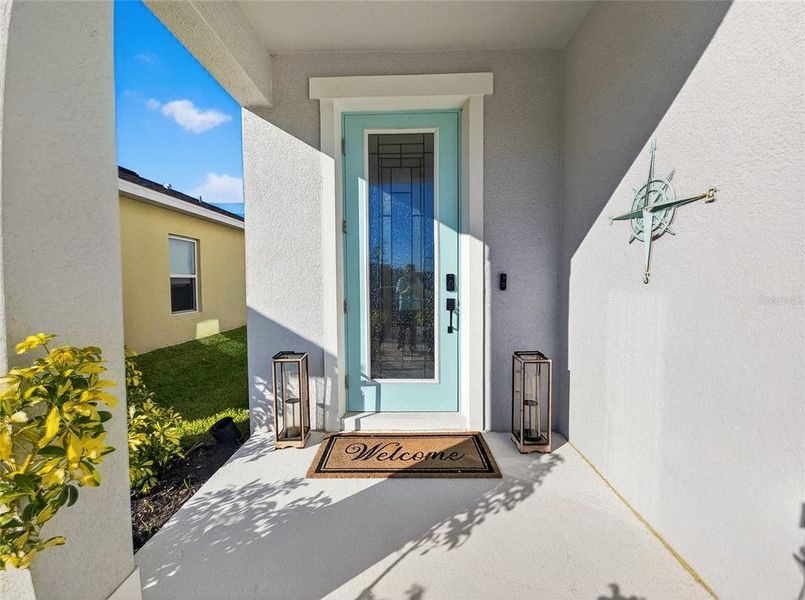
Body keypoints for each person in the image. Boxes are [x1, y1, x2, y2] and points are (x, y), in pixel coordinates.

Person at [395, 264, 423, 352]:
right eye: (408, 271)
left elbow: (420, 294)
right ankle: (400, 345)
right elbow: (398, 292)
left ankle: (412, 346)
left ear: (414, 272)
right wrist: (406, 291)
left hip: (414, 307)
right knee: (402, 327)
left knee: (413, 328)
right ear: (405, 272)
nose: (410, 273)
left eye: (412, 271)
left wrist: (415, 289)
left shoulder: (417, 280)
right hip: (404, 307)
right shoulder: (401, 280)